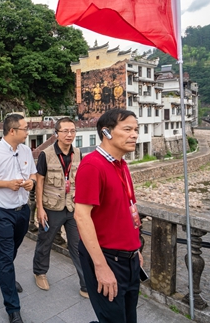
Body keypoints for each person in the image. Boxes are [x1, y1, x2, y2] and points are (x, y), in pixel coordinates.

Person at [74, 108, 144, 323]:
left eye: (136, 129)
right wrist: (101, 266)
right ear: (106, 132)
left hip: (130, 258)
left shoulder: (121, 164)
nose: (134, 134)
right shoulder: (93, 165)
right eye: (128, 129)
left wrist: (135, 248)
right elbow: (81, 216)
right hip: (108, 257)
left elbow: (125, 209)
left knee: (129, 317)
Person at [0, 114, 36, 323]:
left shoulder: (26, 150)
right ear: (12, 131)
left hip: (23, 209)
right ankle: (13, 308)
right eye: (24, 128)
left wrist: (31, 183)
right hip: (2, 211)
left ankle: (5, 276)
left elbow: (33, 174)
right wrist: (7, 184)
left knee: (12, 250)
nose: (27, 131)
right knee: (5, 253)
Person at [33, 118, 87, 298]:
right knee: (45, 241)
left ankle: (85, 284)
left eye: (72, 131)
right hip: (51, 206)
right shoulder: (46, 154)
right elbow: (39, 182)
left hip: (72, 206)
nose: (69, 134)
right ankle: (40, 272)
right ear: (56, 133)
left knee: (77, 245)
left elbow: (80, 180)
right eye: (65, 131)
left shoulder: (78, 153)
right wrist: (40, 208)